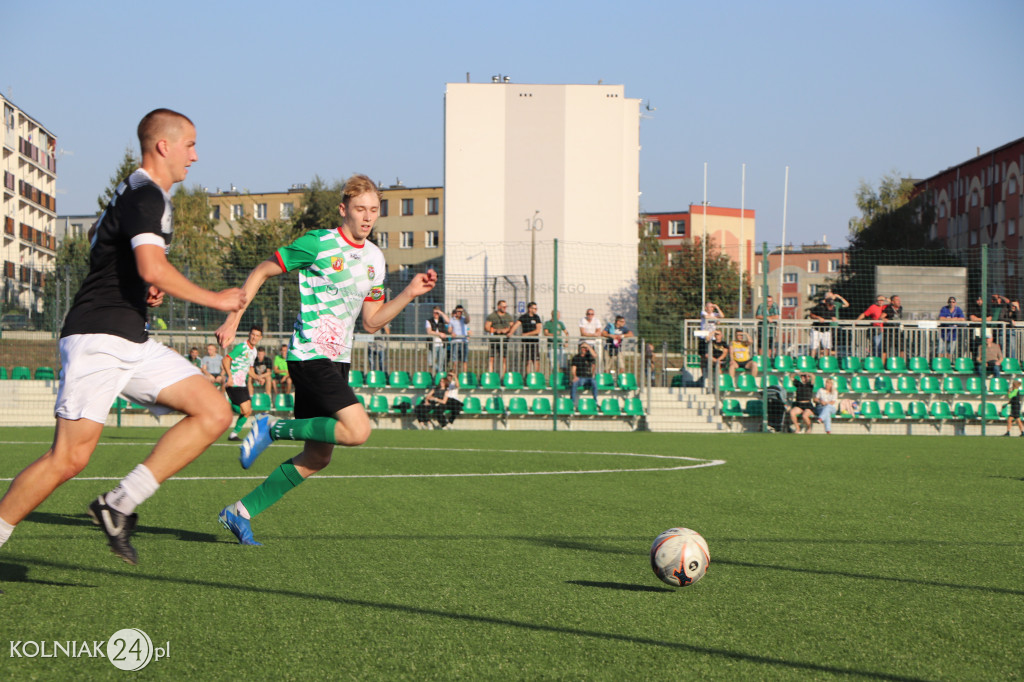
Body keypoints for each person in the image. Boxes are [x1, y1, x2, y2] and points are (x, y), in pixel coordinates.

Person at [0, 108, 246, 564]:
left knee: (214, 411)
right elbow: (151, 264)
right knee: (69, 459)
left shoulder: (137, 192)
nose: (196, 155)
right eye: (190, 144)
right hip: (98, 337)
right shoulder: (147, 194)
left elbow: (102, 233)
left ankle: (118, 504)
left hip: (129, 338)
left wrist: (140, 285)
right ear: (163, 146)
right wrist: (216, 299)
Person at [214, 174, 436, 546]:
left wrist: (411, 292)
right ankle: (271, 427)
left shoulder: (375, 260)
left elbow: (371, 321)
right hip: (309, 354)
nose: (367, 217)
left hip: (338, 361)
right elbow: (264, 269)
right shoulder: (319, 244)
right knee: (359, 430)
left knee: (318, 457)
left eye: (374, 210)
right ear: (343, 209)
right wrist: (234, 316)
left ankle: (240, 511)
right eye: (360, 209)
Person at [223, 325, 263, 442]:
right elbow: (226, 359)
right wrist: (229, 377)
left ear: (260, 338)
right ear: (249, 334)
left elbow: (250, 370)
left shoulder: (254, 351)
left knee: (247, 412)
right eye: (253, 334)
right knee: (245, 411)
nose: (254, 337)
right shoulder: (242, 347)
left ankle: (233, 435)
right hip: (234, 383)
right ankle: (224, 405)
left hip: (242, 384)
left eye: (257, 335)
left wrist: (257, 377)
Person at [807, 292, 848, 358]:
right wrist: (818, 317)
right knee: (814, 346)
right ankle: (812, 360)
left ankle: (825, 360)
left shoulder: (833, 308)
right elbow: (811, 315)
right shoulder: (819, 307)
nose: (831, 306)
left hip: (826, 329)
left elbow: (833, 315)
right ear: (826, 304)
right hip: (816, 329)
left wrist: (833, 318)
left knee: (827, 346)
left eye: (832, 305)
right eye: (830, 305)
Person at [511, 301, 543, 374]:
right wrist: (510, 333)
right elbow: (516, 325)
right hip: (526, 343)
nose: (535, 310)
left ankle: (536, 376)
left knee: (536, 361)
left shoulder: (536, 317)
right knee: (527, 361)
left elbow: (538, 330)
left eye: (536, 308)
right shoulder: (523, 317)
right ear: (529, 309)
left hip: (534, 343)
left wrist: (527, 334)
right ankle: (528, 377)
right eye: (534, 308)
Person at [484, 300, 514, 373]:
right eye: (503, 306)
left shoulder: (508, 316)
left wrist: (506, 330)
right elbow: (486, 327)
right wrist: (495, 330)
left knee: (504, 358)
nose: (505, 308)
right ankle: (490, 374)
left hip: (504, 341)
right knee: (491, 358)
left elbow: (512, 326)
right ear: (499, 306)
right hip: (494, 340)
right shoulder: (492, 316)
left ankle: (503, 376)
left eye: (506, 306)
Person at [856, 295, 887, 359]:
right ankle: (875, 359)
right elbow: (864, 314)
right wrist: (857, 321)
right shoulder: (873, 307)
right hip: (877, 330)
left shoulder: (885, 307)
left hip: (886, 330)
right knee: (877, 346)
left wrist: (885, 298)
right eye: (879, 300)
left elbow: (892, 303)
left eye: (882, 300)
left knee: (883, 347)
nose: (881, 301)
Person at [569, 342, 598, 409]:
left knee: (594, 382)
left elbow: (595, 355)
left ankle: (595, 401)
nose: (583, 349)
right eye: (582, 347)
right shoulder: (576, 357)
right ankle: (572, 402)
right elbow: (573, 369)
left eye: (585, 348)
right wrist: (575, 376)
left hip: (588, 378)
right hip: (580, 377)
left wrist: (588, 346)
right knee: (574, 383)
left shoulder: (589, 357)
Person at [425, 306, 449, 375]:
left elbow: (448, 321)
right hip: (433, 344)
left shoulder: (442, 320)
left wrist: (441, 313)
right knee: (431, 362)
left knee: (441, 362)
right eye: (434, 313)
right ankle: (436, 373)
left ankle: (439, 376)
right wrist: (439, 334)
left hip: (442, 344)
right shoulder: (429, 321)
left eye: (437, 313)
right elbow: (429, 331)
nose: (435, 314)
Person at [880, 294, 905, 361]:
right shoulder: (888, 309)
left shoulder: (900, 308)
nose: (899, 301)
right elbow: (881, 317)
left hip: (898, 331)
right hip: (889, 332)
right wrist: (884, 319)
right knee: (885, 349)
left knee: (902, 348)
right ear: (892, 302)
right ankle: (882, 365)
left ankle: (902, 363)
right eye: (897, 300)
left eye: (899, 300)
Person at [755, 295, 780, 359]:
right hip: (762, 329)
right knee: (760, 345)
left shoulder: (775, 305)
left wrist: (768, 318)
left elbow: (776, 316)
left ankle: (768, 359)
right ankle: (761, 359)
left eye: (770, 301)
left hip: (771, 329)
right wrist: (766, 318)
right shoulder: (761, 305)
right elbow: (758, 316)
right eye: (767, 301)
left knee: (770, 345)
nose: (769, 302)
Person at [448, 306, 470, 373]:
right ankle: (455, 376)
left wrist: (464, 311)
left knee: (464, 360)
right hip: (455, 341)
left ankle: (464, 376)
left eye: (461, 311)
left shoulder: (464, 319)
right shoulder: (452, 320)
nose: (459, 313)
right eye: (458, 311)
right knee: (455, 361)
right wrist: (451, 332)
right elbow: (449, 329)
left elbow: (468, 319)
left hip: (464, 341)